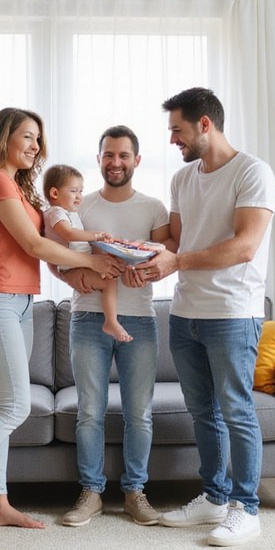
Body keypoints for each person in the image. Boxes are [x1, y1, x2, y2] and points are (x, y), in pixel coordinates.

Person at [0, 108, 126, 543]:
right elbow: (34, 243)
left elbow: (45, 248)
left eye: (39, 139)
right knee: (16, 406)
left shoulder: (16, 187)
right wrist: (91, 258)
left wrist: (85, 268)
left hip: (17, 305)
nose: (36, 146)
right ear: (3, 137)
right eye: (27, 136)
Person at [134, 88, 275, 547]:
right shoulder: (182, 179)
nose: (173, 139)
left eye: (177, 129)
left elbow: (244, 246)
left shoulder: (253, 173)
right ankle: (214, 498)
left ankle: (246, 508)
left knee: (236, 410)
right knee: (203, 412)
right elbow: (178, 243)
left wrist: (176, 262)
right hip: (185, 312)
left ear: (205, 125)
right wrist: (145, 255)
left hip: (233, 312)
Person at [55, 126, 173, 528]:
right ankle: (90, 493)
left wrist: (147, 272)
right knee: (90, 411)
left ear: (136, 160)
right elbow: (54, 257)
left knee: (139, 413)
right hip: (88, 318)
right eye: (109, 155)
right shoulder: (79, 206)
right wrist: (74, 277)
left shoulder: (154, 208)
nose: (116, 162)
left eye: (123, 155)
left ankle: (134, 494)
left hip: (140, 319)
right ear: (99, 158)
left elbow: (164, 258)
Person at [42, 163, 138, 343]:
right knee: (109, 280)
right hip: (72, 266)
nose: (79, 197)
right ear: (55, 194)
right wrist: (97, 236)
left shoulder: (68, 212)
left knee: (111, 271)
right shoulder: (56, 213)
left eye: (81, 191)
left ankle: (111, 320)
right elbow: (69, 234)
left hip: (77, 263)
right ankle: (111, 321)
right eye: (73, 191)